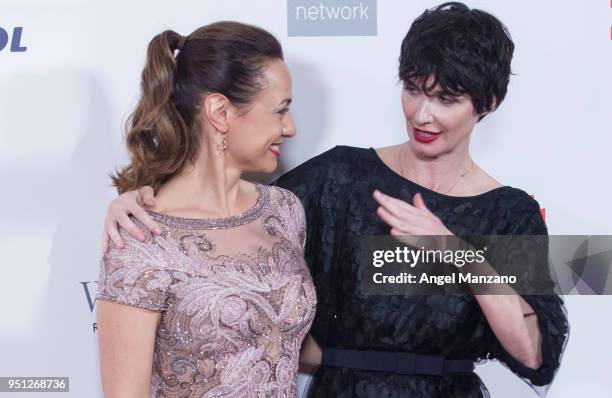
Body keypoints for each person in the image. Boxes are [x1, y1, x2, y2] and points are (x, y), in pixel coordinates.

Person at [101, 3, 568, 397]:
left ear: (487, 102)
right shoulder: (340, 178)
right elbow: (221, 217)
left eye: (446, 99)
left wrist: (456, 255)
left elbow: (534, 355)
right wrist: (136, 201)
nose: (423, 114)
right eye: (413, 90)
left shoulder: (506, 212)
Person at [95, 21, 316, 397]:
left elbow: (287, 343)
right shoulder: (140, 236)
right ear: (220, 111)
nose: (291, 127)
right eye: (280, 111)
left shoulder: (284, 211)